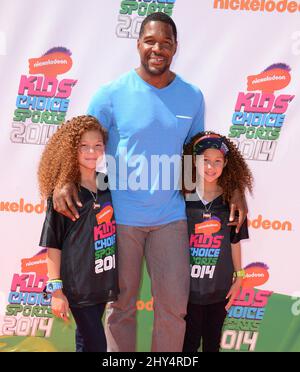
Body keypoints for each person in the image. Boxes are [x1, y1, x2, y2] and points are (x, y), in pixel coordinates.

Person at [52, 13, 247, 352]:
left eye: (166, 43)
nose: (158, 48)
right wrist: (62, 180)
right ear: (138, 44)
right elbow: (83, 143)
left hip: (170, 219)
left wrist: (234, 189)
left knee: (174, 308)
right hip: (121, 220)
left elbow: (199, 153)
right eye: (150, 41)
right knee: (121, 308)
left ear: (176, 48)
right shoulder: (110, 94)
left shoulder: (191, 95)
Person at [38, 115, 119, 352]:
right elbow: (53, 245)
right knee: (96, 344)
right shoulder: (64, 193)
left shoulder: (108, 184)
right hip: (78, 285)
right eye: (84, 146)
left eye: (97, 145)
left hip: (103, 280)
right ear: (71, 149)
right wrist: (56, 291)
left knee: (85, 342)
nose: (91, 151)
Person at [181, 131, 253, 352]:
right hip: (188, 289)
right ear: (194, 161)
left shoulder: (231, 202)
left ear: (225, 163)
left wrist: (239, 277)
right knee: (188, 343)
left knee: (212, 343)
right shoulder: (183, 197)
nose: (210, 167)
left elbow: (234, 242)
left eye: (217, 161)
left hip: (219, 288)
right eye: (205, 161)